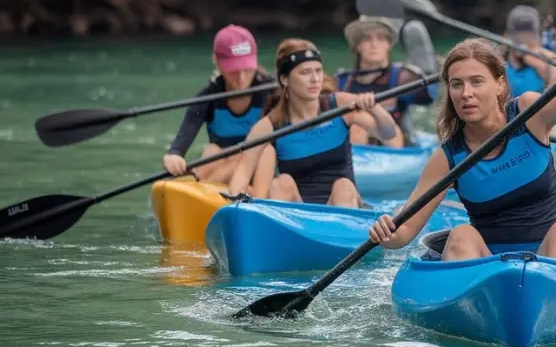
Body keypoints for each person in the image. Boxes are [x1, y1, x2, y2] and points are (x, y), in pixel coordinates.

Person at [368, 39, 556, 261]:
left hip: (552, 259)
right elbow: (404, 232)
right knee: (461, 234)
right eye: (457, 84)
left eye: (476, 82)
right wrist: (388, 232)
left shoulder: (528, 112)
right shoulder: (447, 159)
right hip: (485, 268)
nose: (466, 93)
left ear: (500, 84)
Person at [227, 38, 398, 207]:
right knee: (281, 183)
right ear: (285, 79)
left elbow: (388, 134)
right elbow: (242, 172)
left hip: (345, 210)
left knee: (343, 186)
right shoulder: (270, 125)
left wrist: (374, 108)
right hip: (300, 217)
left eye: (318, 71)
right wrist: (234, 204)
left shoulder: (339, 105)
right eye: (305, 72)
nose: (315, 79)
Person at [162, 25, 275, 192]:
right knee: (212, 150)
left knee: (266, 150)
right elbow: (180, 144)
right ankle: (201, 190)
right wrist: (173, 158)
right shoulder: (208, 97)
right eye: (234, 70)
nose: (242, 78)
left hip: (262, 172)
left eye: (247, 68)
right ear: (217, 62)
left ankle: (200, 185)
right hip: (226, 171)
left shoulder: (272, 92)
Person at [336, 15, 437, 148]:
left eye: (381, 38)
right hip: (356, 147)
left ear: (388, 45)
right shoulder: (342, 81)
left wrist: (429, 74)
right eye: (367, 39)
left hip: (396, 147)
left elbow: (428, 99)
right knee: (356, 127)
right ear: (358, 46)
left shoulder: (403, 77)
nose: (374, 44)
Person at [503, 5, 556, 97]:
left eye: (530, 35)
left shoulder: (550, 62)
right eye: (519, 34)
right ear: (509, 36)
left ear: (538, 37)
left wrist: (543, 68)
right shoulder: (500, 65)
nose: (524, 39)